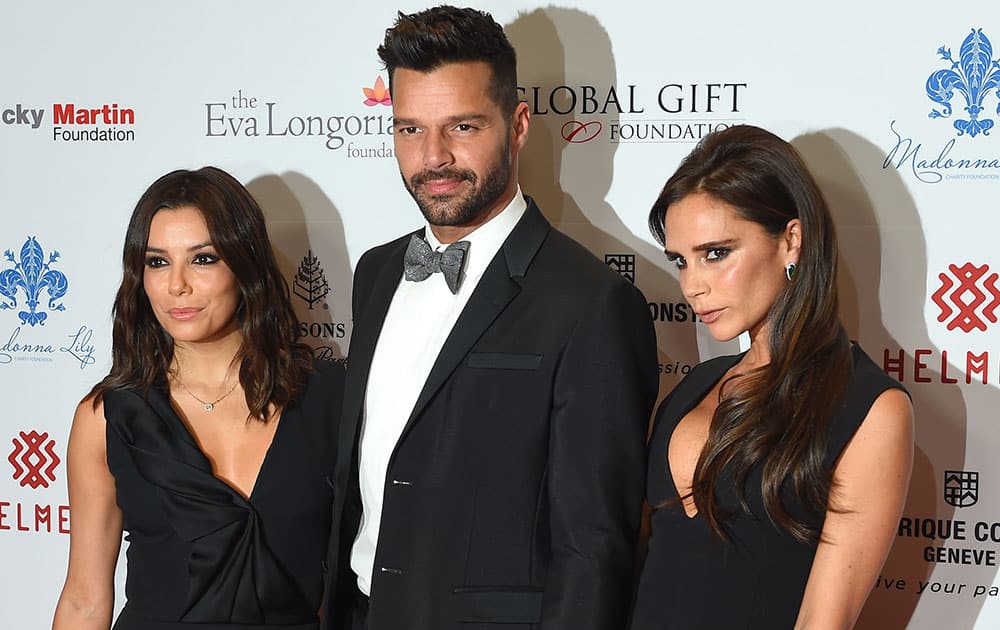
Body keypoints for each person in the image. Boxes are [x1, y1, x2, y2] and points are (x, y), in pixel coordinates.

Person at [322, 6, 658, 630]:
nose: (434, 157)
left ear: (519, 124)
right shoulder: (375, 272)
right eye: (410, 130)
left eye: (463, 127)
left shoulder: (592, 303)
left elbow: (594, 548)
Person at [630, 125, 914, 629]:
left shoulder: (868, 407)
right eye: (681, 261)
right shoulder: (694, 387)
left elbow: (822, 621)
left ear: (791, 241)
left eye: (716, 253)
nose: (693, 286)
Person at [52, 167, 345, 630]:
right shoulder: (106, 417)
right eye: (157, 261)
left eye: (203, 259)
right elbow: (85, 599)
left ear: (245, 265)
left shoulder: (330, 396)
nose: (177, 285)